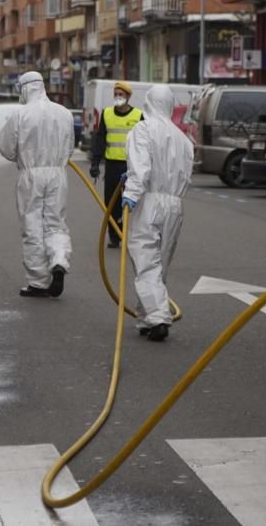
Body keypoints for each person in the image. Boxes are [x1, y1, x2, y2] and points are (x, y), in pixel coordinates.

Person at [121, 85, 193, 341]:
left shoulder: (143, 129)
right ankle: (147, 318)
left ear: (149, 103)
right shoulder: (183, 138)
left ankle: (159, 317)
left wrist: (130, 191)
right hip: (175, 204)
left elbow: (141, 168)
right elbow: (185, 174)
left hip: (148, 200)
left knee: (144, 261)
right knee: (159, 264)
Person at [0, 71, 74, 298]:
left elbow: (7, 148)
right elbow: (70, 148)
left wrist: (25, 158)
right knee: (55, 223)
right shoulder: (64, 113)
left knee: (32, 226)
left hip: (31, 175)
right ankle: (59, 260)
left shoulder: (20, 114)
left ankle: (39, 282)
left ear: (25, 88)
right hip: (58, 174)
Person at [89, 81, 143, 248]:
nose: (118, 98)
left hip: (131, 167)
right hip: (112, 166)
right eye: (116, 95)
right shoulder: (107, 114)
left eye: (121, 95)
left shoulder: (138, 115)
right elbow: (100, 140)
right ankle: (115, 236)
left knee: (130, 202)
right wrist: (95, 163)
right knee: (110, 203)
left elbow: (144, 142)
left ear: (128, 97)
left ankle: (128, 234)